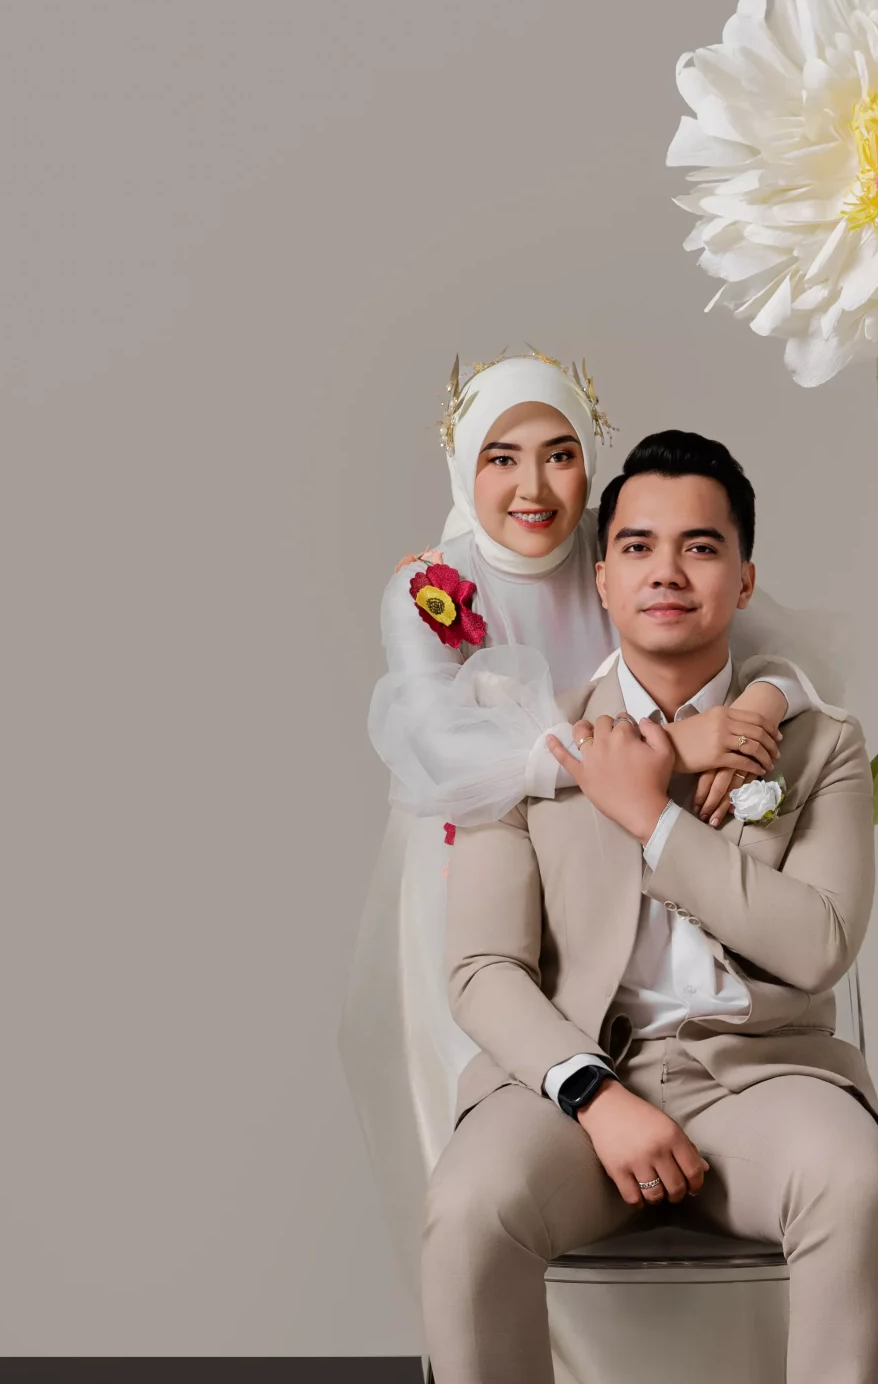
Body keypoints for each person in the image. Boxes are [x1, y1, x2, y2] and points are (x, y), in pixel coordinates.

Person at [427, 430, 878, 1384]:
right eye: (636, 545)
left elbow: (816, 943)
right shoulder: (527, 741)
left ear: (743, 576)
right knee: (467, 1206)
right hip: (577, 1086)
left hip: (763, 1074)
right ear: (600, 575)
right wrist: (591, 1090)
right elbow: (479, 969)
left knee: (857, 1184)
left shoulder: (818, 743)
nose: (667, 571)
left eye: (701, 546)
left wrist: (654, 820)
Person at [343, 351, 842, 1276]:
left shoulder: (624, 552)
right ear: (461, 464)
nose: (533, 487)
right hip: (489, 864)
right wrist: (671, 749)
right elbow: (447, 752)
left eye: (560, 454)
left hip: (645, 866)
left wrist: (763, 704)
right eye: (501, 457)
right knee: (495, 1152)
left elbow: (784, 648)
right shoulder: (431, 589)